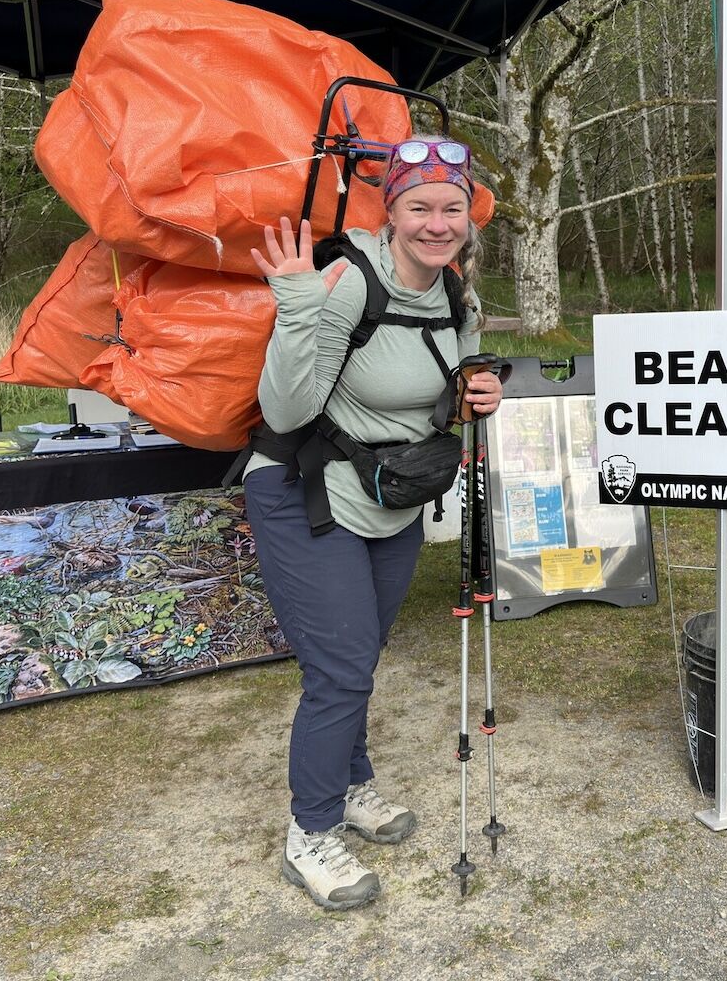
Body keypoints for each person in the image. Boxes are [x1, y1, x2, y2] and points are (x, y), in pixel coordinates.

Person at [244, 137, 503, 911]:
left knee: (359, 654)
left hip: (389, 495)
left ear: (468, 218)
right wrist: (296, 302)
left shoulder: (457, 296)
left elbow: (454, 384)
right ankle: (310, 833)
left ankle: (352, 785)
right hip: (304, 490)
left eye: (451, 207)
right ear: (388, 211)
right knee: (343, 667)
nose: (436, 222)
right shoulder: (343, 282)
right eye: (418, 207)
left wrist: (476, 393)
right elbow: (285, 410)